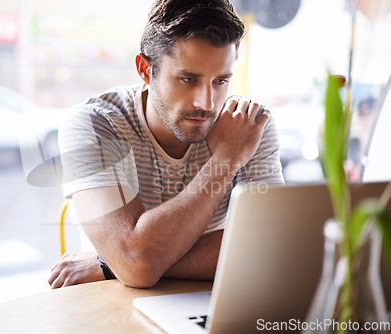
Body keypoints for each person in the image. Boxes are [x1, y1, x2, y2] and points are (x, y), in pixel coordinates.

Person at [48, 0, 284, 289]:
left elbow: (271, 249)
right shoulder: (93, 125)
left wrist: (111, 265)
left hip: (211, 308)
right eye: (188, 79)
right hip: (115, 310)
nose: (207, 103)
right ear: (145, 69)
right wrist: (227, 158)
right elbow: (137, 263)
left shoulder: (248, 126)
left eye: (221, 81)